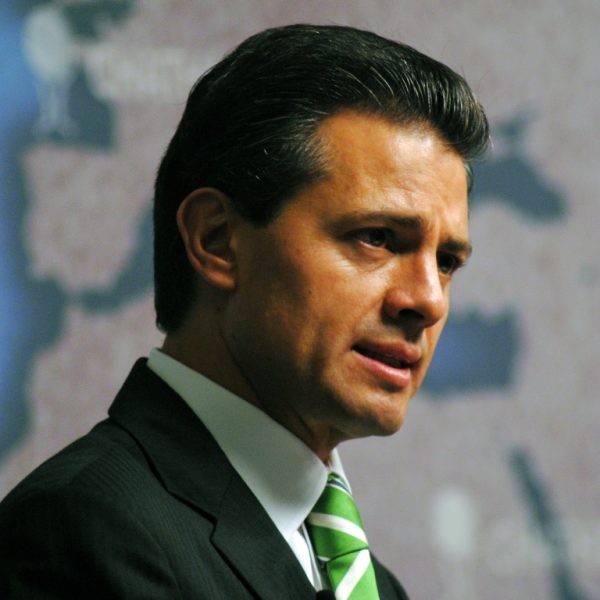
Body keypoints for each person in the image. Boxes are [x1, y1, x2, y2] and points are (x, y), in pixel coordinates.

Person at [0, 24, 488, 599]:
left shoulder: (377, 585)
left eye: (447, 261)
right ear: (217, 241)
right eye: (376, 237)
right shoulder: (82, 533)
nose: (429, 300)